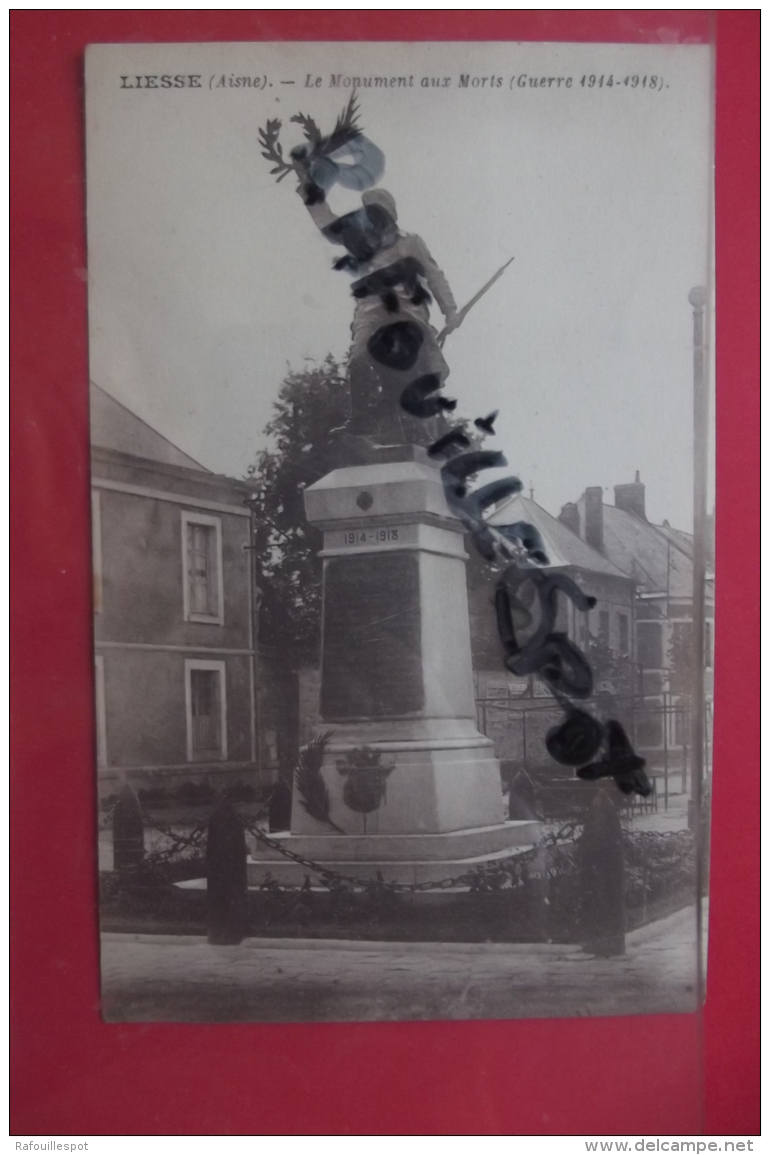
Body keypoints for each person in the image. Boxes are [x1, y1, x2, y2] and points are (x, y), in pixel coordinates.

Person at [296, 175, 460, 444]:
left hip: (405, 314)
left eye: (378, 212)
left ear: (390, 215)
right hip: (370, 312)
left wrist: (450, 310)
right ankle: (360, 420)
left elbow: (434, 276)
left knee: (406, 375)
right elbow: (328, 223)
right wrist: (308, 188)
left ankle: (413, 426)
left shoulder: (412, 242)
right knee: (358, 360)